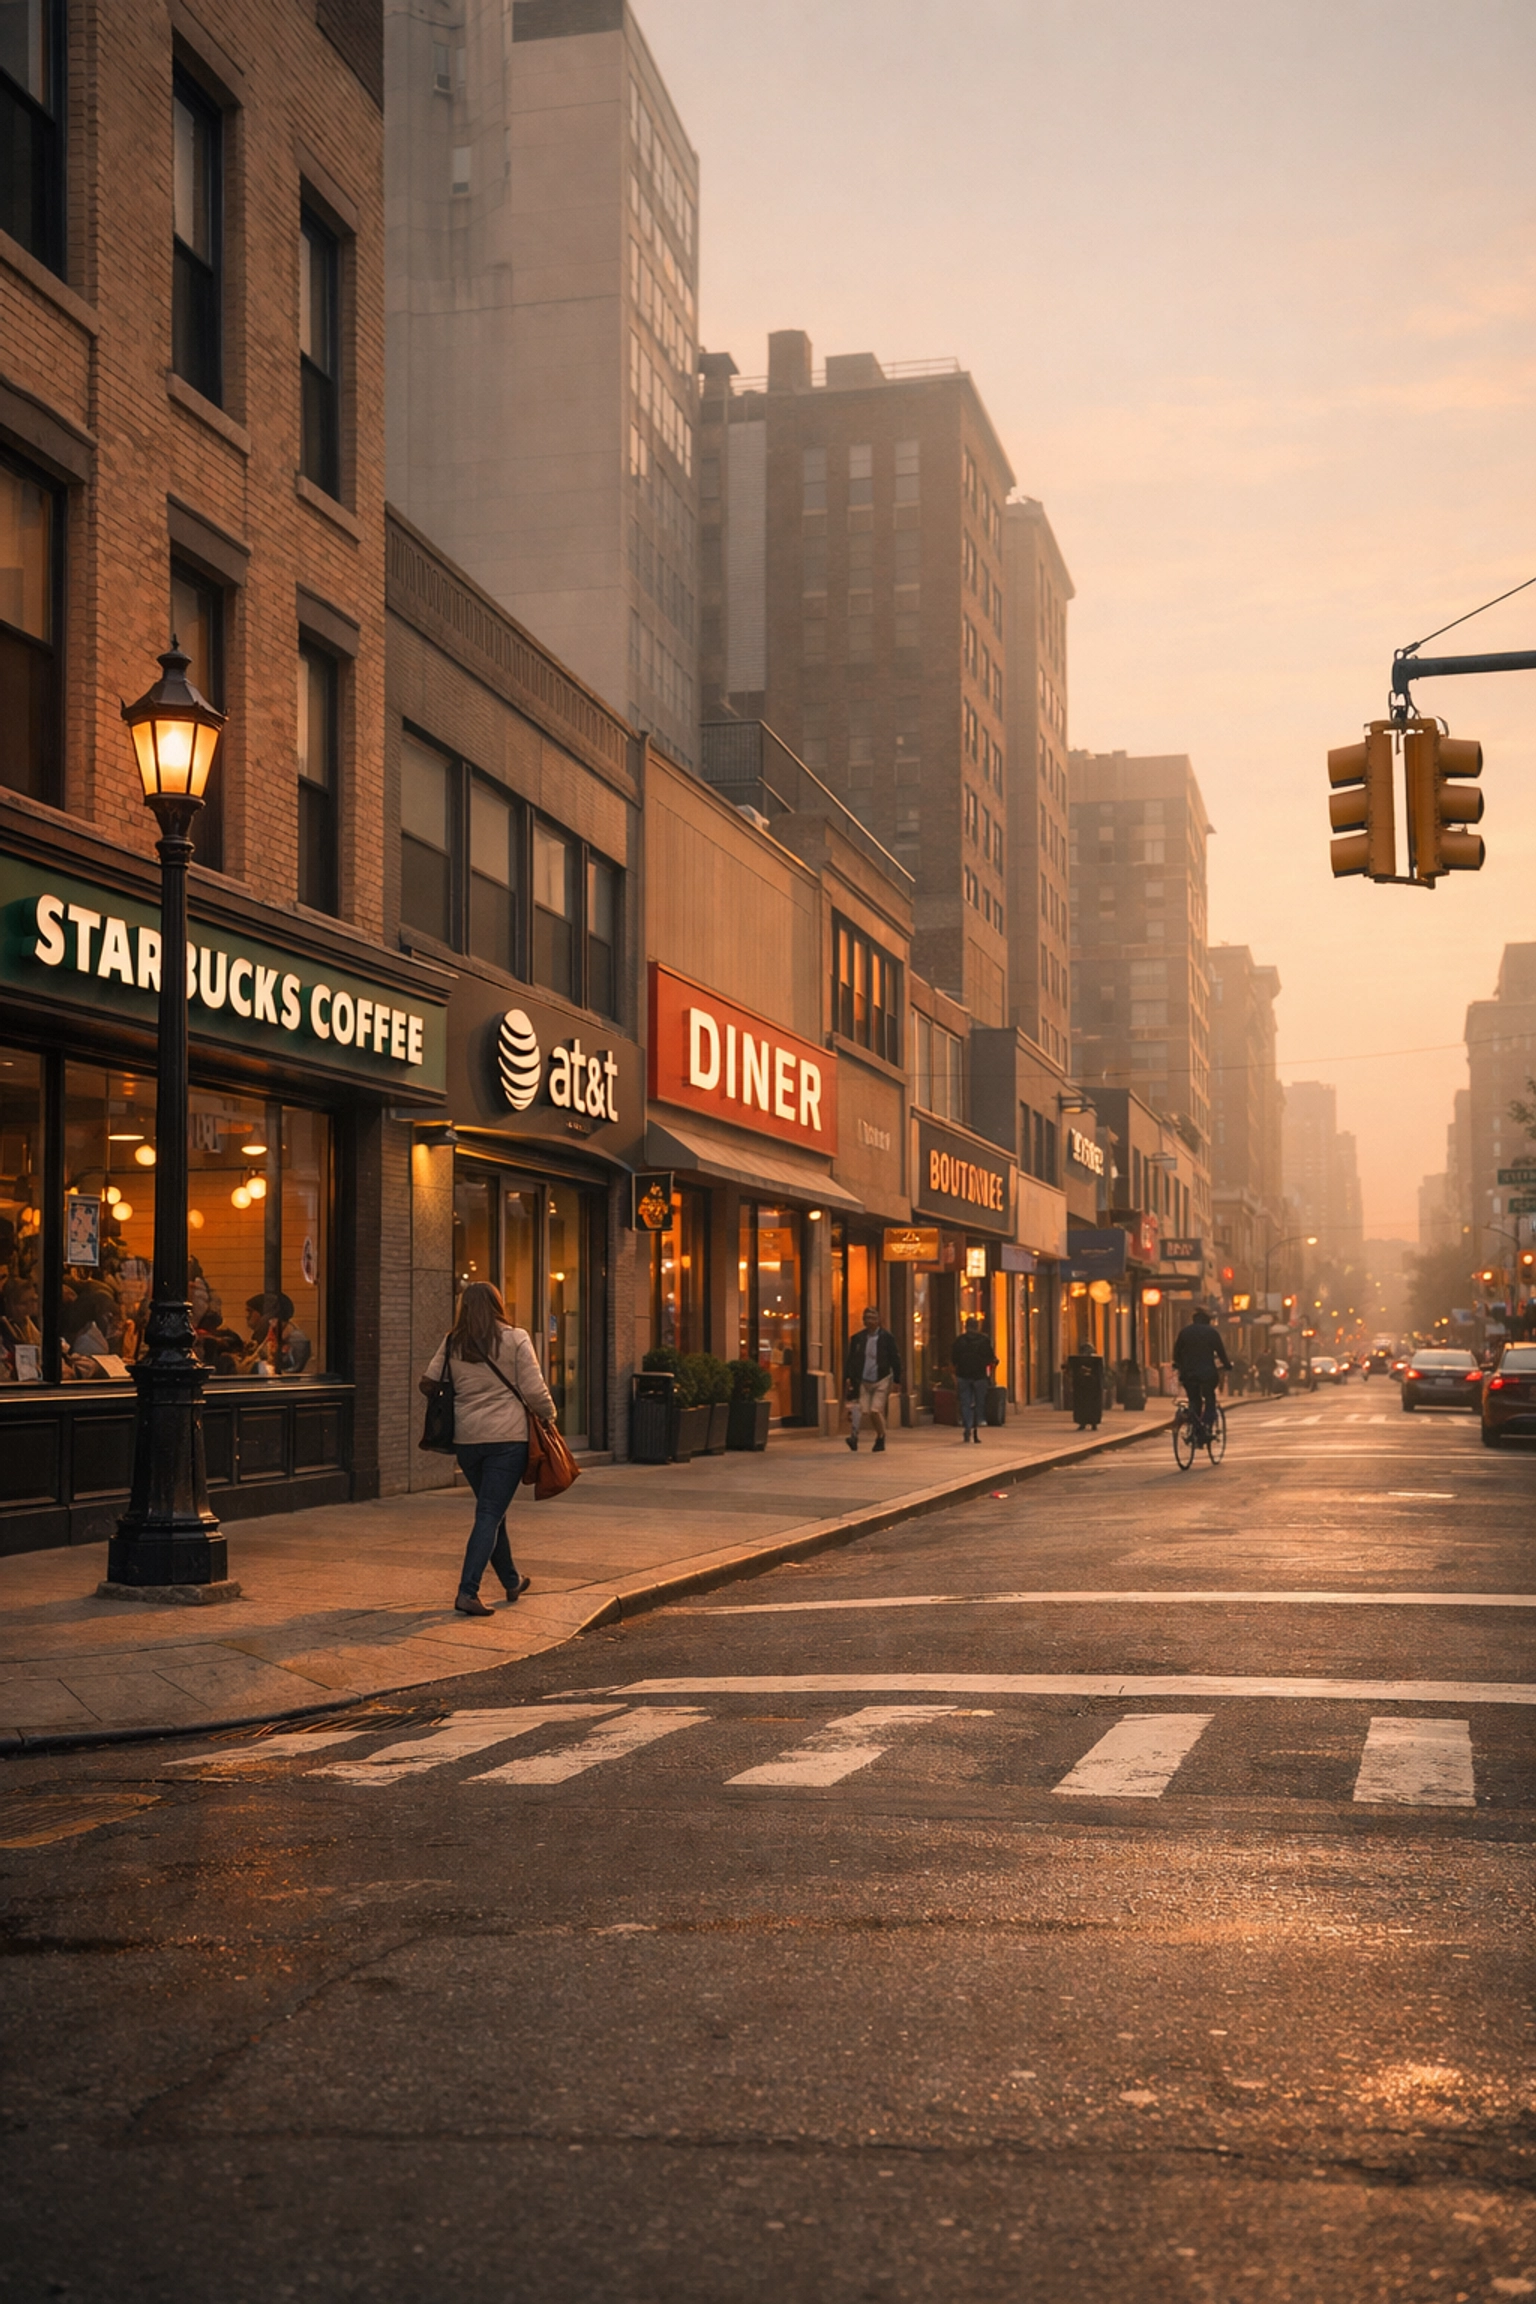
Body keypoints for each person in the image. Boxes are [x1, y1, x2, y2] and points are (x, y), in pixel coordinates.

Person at [420, 1280, 556, 1616]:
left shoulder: (453, 1341)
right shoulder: (515, 1337)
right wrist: (550, 1416)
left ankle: (511, 1580)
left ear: (464, 1307)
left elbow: (428, 1381)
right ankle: (467, 1591)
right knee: (490, 1513)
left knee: (492, 1511)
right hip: (507, 1440)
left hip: (468, 1440)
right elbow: (534, 1389)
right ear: (497, 1304)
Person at [842, 1304, 902, 1454]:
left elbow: (895, 1358)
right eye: (867, 1318)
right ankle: (854, 1437)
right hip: (863, 1380)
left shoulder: (887, 1338)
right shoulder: (857, 1338)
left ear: (878, 1320)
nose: (870, 1321)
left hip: (881, 1379)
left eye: (873, 1318)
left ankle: (881, 1436)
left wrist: (897, 1380)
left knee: (875, 1410)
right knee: (861, 1409)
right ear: (863, 1320)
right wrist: (848, 1376)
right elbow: (851, 1359)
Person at [1174, 1307, 1231, 1437]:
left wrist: (1178, 1364)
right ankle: (1207, 1424)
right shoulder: (1212, 1333)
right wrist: (1227, 1365)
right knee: (1209, 1396)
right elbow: (1221, 1352)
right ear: (1208, 1321)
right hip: (1207, 1373)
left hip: (1189, 1373)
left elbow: (1177, 1351)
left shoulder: (1185, 1332)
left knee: (1194, 1398)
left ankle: (1194, 1425)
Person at [951, 1317, 998, 1443]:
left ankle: (967, 1426)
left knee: (965, 1402)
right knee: (979, 1401)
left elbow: (954, 1359)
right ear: (977, 1327)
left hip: (963, 1375)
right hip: (980, 1376)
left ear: (966, 1327)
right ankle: (978, 1423)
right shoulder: (984, 1340)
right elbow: (990, 1357)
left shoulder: (960, 1340)